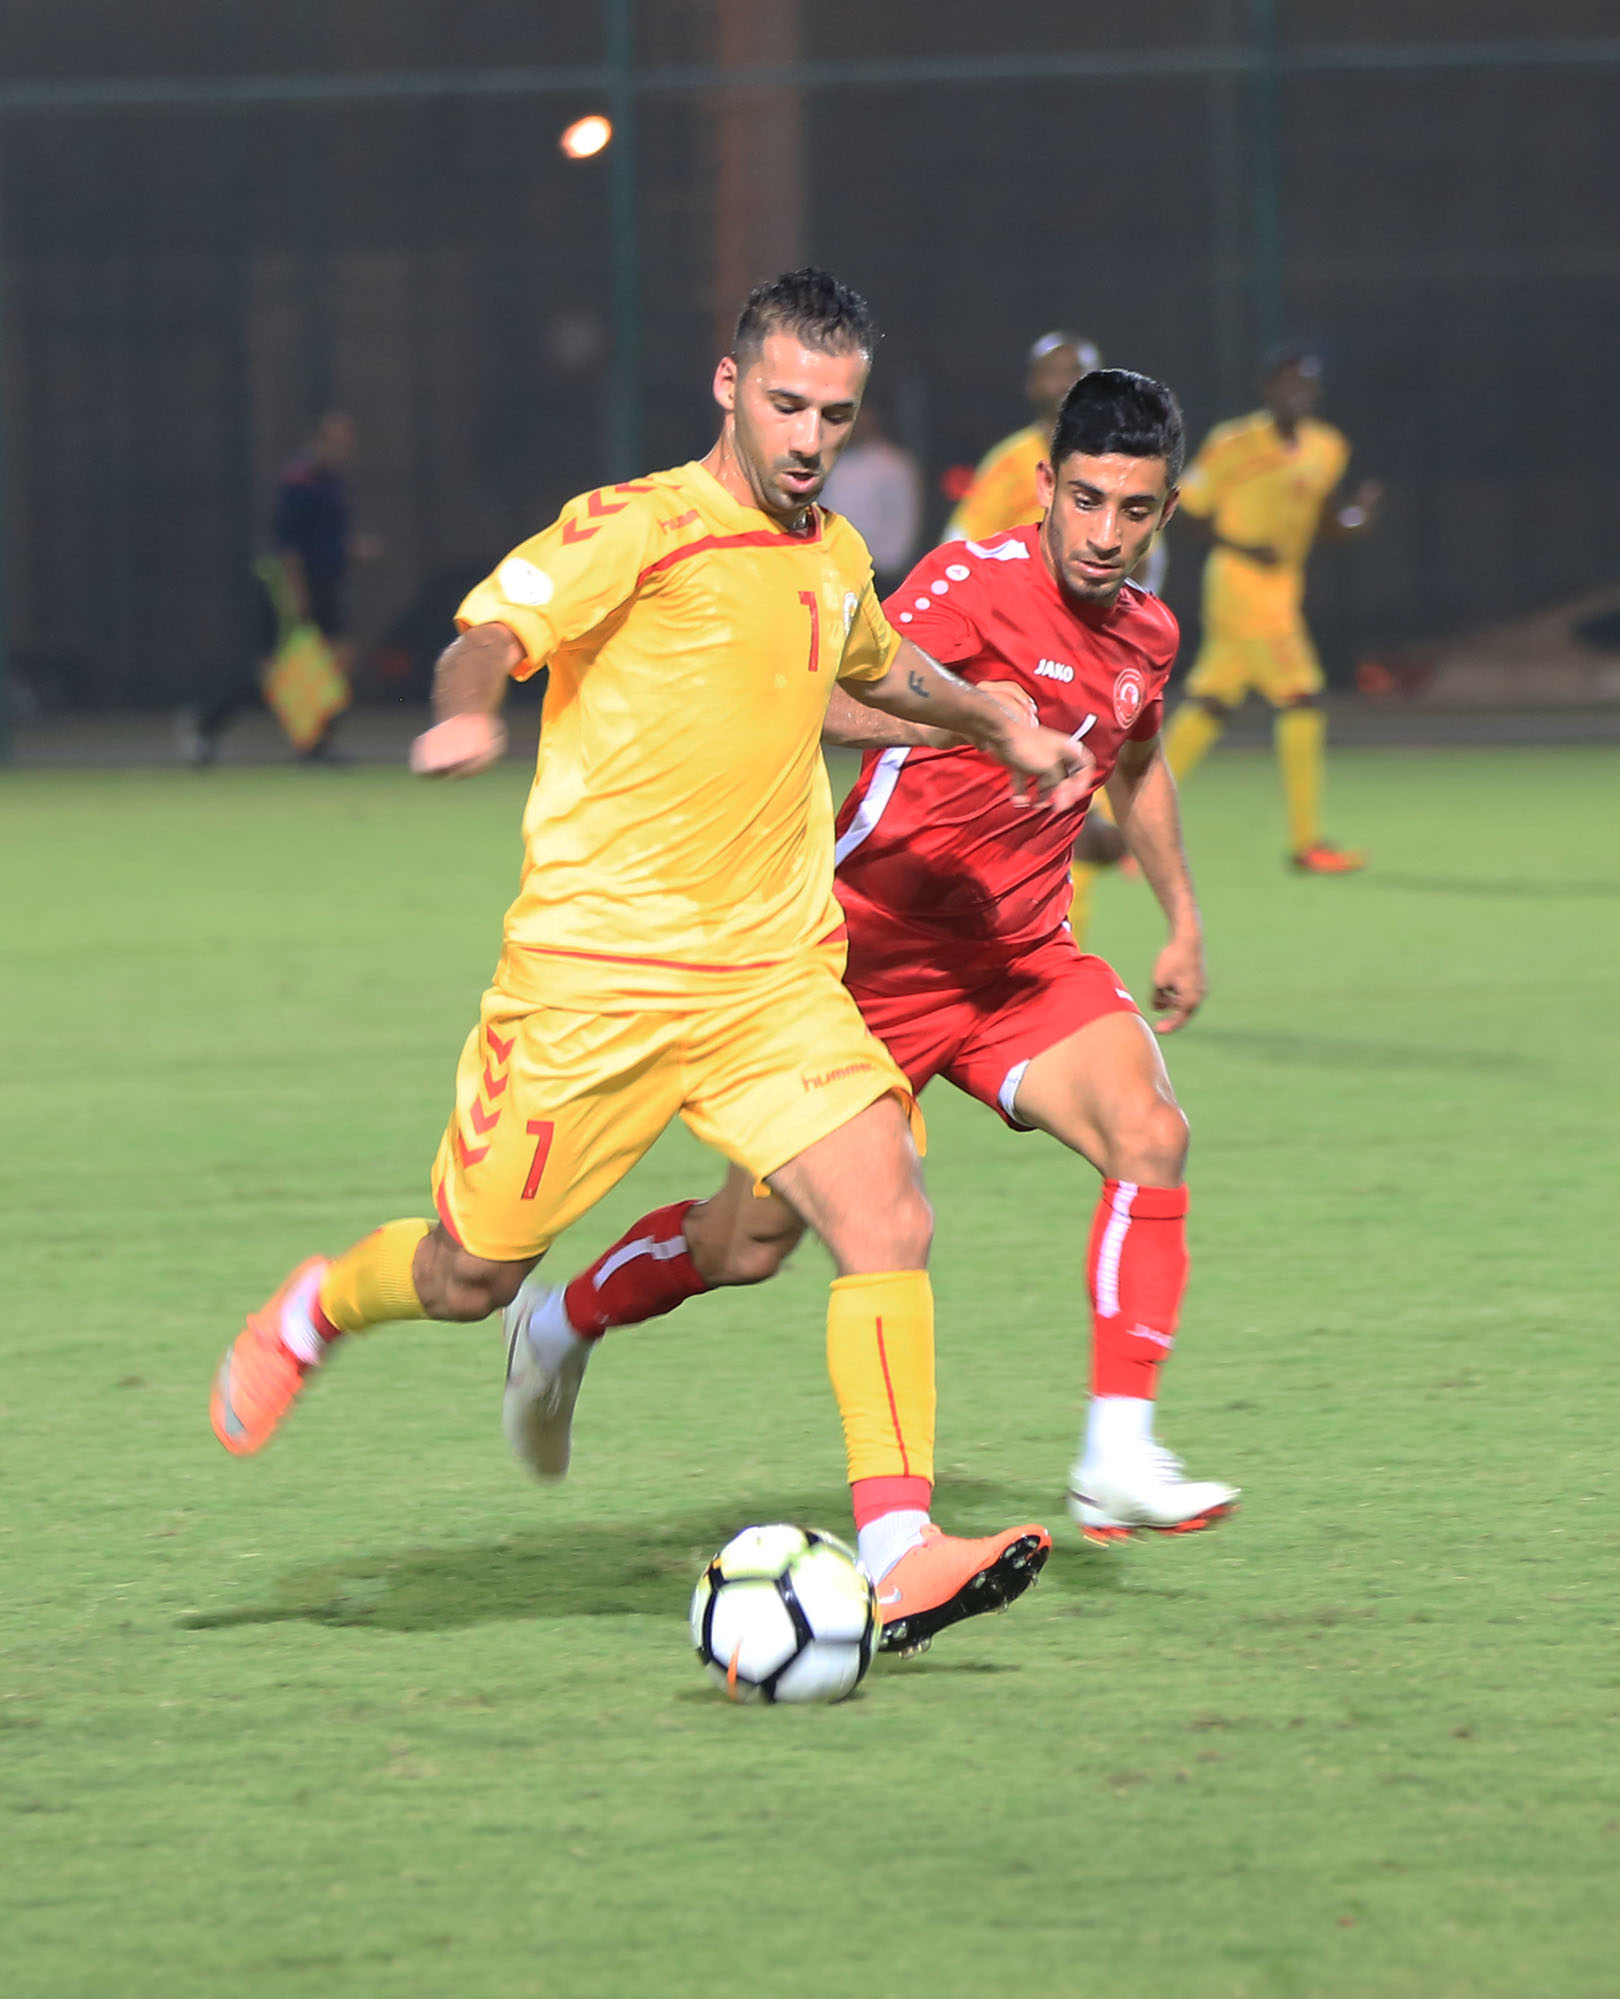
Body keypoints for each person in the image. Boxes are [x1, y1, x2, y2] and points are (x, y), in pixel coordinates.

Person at [209, 269, 1095, 1659]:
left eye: (836, 415)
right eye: (788, 404)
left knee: (883, 1215)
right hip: (591, 985)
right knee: (466, 1275)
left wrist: (994, 721)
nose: (810, 438)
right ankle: (319, 1307)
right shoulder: (638, 524)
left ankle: (901, 1552)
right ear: (730, 387)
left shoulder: (832, 553)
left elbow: (870, 671)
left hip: (770, 981)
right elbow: (489, 633)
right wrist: (467, 712)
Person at [520, 369, 1239, 1547]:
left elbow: (1138, 758)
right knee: (744, 1244)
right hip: (868, 961)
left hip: (1016, 961)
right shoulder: (969, 583)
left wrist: (1184, 920)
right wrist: (980, 719)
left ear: (1167, 511)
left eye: (1134, 510)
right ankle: (560, 1322)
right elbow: (826, 696)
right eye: (1087, 500)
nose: (1106, 534)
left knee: (1151, 1134)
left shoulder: (1149, 633)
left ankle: (1116, 1452)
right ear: (1045, 485)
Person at [1162, 345, 1382, 872]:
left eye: (1304, 383)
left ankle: (1114, 821)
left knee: (1210, 705)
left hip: (1282, 589)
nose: (1295, 392)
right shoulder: (1234, 443)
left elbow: (1327, 521)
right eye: (1285, 382)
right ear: (1266, 389)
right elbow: (1185, 513)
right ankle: (1307, 843)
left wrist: (1358, 520)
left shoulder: (1327, 446)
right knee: (1301, 695)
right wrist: (1242, 545)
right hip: (1240, 584)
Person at [180, 410, 367, 765]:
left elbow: (323, 539)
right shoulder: (300, 481)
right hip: (292, 587)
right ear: (317, 440)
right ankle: (206, 723)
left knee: (339, 662)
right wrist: (296, 592)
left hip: (325, 584)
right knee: (275, 675)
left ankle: (317, 744)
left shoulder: (332, 482)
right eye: (336, 440)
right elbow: (286, 544)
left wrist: (349, 551)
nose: (344, 447)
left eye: (347, 440)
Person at [942, 331, 1102, 545]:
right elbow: (963, 538)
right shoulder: (1009, 461)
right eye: (1055, 372)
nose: (1067, 383)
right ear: (1032, 385)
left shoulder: (1119, 458)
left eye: (1076, 372)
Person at [819, 400, 923, 594]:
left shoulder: (894, 464)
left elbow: (903, 519)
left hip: (878, 570)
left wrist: (889, 564)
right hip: (832, 566)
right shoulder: (830, 461)